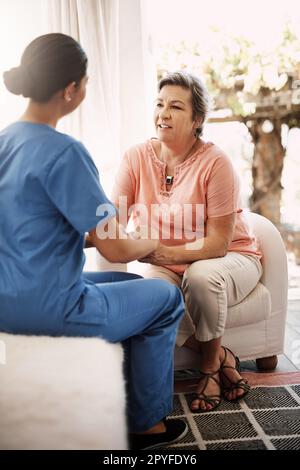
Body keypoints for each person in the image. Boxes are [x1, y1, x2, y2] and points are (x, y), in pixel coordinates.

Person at [0, 34, 188, 450]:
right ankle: (146, 426)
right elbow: (116, 249)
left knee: (130, 288)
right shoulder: (66, 153)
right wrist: (148, 241)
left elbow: (32, 227)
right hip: (52, 309)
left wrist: (104, 235)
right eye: (85, 82)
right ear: (71, 90)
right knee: (166, 300)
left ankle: (107, 394)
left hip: (6, 299)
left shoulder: (4, 143)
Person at [112, 71, 263, 413]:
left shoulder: (215, 163)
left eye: (176, 107)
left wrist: (164, 252)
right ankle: (222, 355)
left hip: (230, 258)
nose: (163, 113)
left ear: (197, 119)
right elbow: (113, 219)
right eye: (160, 104)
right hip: (165, 264)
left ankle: (208, 370)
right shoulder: (135, 158)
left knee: (200, 277)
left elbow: (218, 244)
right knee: (151, 298)